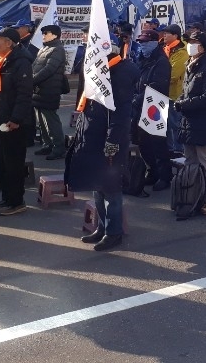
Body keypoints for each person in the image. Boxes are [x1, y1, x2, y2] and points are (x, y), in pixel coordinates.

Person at [66, 36, 139, 251]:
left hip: (109, 140)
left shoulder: (120, 74)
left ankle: (113, 232)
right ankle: (101, 226)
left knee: (111, 187)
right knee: (97, 185)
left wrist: (113, 141)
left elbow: (122, 114)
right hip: (94, 136)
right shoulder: (100, 70)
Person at [0, 28, 34, 216]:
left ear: (9, 43)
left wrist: (15, 119)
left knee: (14, 162)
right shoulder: (0, 62)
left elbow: (24, 93)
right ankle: (7, 198)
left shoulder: (20, 62)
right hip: (1, 119)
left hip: (14, 123)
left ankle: (17, 201)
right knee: (5, 161)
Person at [173, 30, 206, 215]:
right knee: (191, 161)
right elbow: (186, 92)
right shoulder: (189, 65)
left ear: (203, 46)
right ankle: (194, 194)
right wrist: (181, 102)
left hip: (203, 122)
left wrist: (184, 103)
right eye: (189, 41)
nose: (190, 45)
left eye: (194, 42)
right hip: (188, 120)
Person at [132, 28, 172, 192]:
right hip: (141, 104)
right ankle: (153, 171)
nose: (142, 45)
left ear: (155, 42)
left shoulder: (161, 61)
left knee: (158, 143)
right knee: (143, 142)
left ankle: (164, 176)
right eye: (141, 42)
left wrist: (139, 97)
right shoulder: (143, 58)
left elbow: (158, 86)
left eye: (146, 42)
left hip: (156, 105)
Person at [31, 24, 68, 160]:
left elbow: (49, 70)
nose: (44, 35)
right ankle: (47, 144)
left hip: (49, 90)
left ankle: (58, 147)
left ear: (55, 35)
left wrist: (32, 80)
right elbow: (34, 66)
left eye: (47, 33)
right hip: (39, 89)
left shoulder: (57, 49)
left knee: (51, 120)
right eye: (43, 33)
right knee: (40, 119)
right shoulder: (44, 48)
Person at [159, 24, 188, 156]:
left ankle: (179, 149)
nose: (164, 35)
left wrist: (160, 78)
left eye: (167, 33)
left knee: (175, 123)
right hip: (164, 92)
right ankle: (170, 148)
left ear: (175, 35)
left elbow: (174, 74)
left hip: (175, 93)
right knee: (167, 123)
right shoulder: (165, 49)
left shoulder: (182, 51)